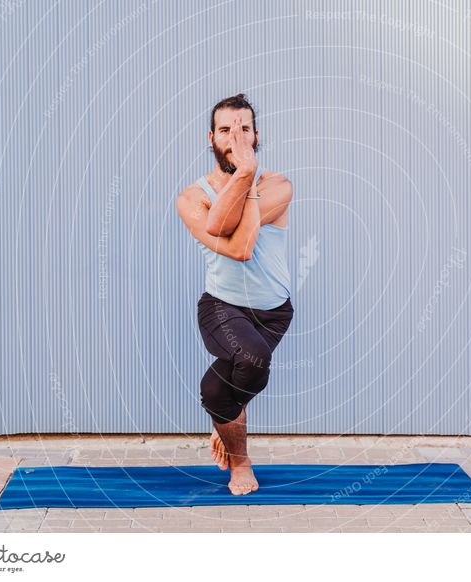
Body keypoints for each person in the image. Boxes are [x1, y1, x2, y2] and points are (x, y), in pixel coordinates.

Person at [175, 94, 294, 495]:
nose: (236, 139)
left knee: (216, 391)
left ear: (257, 136)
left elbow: (227, 226)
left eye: (244, 129)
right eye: (226, 130)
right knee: (252, 358)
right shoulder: (192, 197)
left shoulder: (278, 185)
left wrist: (248, 179)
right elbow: (239, 246)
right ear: (211, 137)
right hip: (221, 307)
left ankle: (223, 419)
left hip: (274, 312)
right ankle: (240, 463)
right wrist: (246, 175)